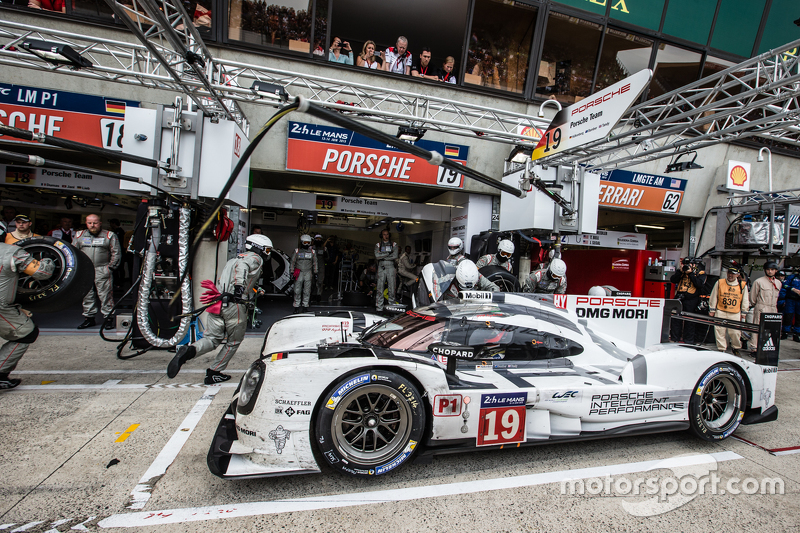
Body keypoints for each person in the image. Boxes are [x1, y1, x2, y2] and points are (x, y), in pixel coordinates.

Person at [168, 234, 271, 385]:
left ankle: (189, 351)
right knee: (233, 341)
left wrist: (252, 288)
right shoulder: (255, 258)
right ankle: (214, 372)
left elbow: (236, 274)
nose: (267, 253)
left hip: (218, 302)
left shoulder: (234, 259)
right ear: (258, 247)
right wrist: (239, 287)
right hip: (234, 305)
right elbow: (242, 269)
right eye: (266, 249)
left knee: (212, 339)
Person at [0, 222, 55, 390]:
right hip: (2, 307)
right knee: (26, 333)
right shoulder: (11, 252)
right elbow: (42, 273)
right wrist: (47, 258)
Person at [74, 214, 121, 330]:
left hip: (102, 268)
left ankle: (108, 319)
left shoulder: (109, 235)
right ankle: (89, 319)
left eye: (95, 223)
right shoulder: (79, 235)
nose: (92, 225)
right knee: (87, 295)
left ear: (100, 223)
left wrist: (110, 267)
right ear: (86, 223)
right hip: (85, 270)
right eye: (90, 223)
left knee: (105, 295)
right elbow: (74, 252)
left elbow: (116, 252)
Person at [709, 265, 750, 354]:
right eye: (729, 273)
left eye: (733, 274)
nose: (730, 275)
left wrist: (744, 312)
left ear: (737, 275)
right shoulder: (720, 282)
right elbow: (714, 296)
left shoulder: (742, 285)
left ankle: (736, 347)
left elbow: (745, 299)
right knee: (719, 331)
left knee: (735, 333)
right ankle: (721, 348)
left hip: (735, 312)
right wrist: (712, 309)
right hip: (721, 310)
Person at [669, 257, 707, 344]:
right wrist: (680, 272)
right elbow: (673, 280)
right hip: (679, 297)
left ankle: (688, 340)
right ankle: (675, 338)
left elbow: (699, 284)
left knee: (689, 320)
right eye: (685, 264)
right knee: (675, 318)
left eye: (688, 264)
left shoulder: (700, 273)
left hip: (691, 299)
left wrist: (691, 274)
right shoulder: (681, 271)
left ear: (694, 265)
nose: (686, 266)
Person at [749, 261, 782, 350]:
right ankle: (754, 348)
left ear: (775, 271)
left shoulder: (778, 283)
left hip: (773, 308)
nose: (770, 271)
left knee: (771, 328)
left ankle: (767, 347)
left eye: (772, 269)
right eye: (768, 269)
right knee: (757, 328)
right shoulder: (759, 281)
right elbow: (752, 298)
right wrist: (758, 306)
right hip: (761, 307)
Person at [291, 234, 317, 313]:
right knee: (297, 290)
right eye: (305, 242)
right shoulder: (297, 251)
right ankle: (296, 306)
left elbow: (315, 263)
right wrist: (292, 272)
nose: (307, 244)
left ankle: (305, 306)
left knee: (307, 290)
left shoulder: (312, 252)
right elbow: (292, 262)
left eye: (308, 242)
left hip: (308, 272)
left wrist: (315, 272)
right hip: (298, 272)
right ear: (301, 242)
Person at [374, 229, 398, 311]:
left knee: (392, 289)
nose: (386, 236)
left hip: (391, 267)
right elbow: (377, 256)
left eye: (387, 234)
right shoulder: (378, 245)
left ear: (389, 235)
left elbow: (395, 256)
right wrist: (388, 253)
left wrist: (382, 255)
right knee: (379, 289)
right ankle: (379, 308)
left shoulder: (394, 244)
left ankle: (392, 307)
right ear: (381, 235)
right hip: (381, 267)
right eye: (384, 234)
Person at [778, 267, 800, 341]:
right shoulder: (792, 277)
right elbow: (784, 285)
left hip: (799, 301)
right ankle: (785, 333)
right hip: (790, 299)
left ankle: (796, 334)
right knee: (788, 316)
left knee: (799, 317)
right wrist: (793, 289)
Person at [109, 218, 126, 290]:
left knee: (119, 268)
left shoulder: (119, 232)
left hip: (120, 252)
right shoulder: (116, 231)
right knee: (118, 268)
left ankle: (119, 282)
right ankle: (118, 282)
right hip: (118, 251)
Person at [313, 234, 326, 300]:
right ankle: (311, 294)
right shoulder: (311, 248)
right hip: (312, 266)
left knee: (320, 281)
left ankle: (319, 295)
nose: (318, 240)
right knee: (311, 281)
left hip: (321, 266)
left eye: (319, 239)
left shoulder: (324, 248)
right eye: (317, 238)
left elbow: (327, 258)